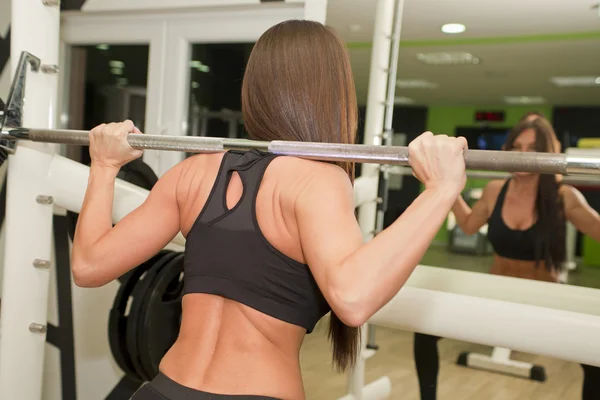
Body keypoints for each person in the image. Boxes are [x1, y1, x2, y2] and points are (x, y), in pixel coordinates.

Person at [70, 20, 468, 400]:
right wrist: (440, 189)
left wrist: (104, 166)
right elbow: (353, 298)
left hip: (162, 390)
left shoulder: (190, 173)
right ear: (335, 94)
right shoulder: (318, 181)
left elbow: (88, 265)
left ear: (253, 88)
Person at [413, 116, 600, 400]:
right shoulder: (495, 190)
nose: (523, 156)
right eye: (517, 146)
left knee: (594, 356)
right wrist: (443, 186)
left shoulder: (564, 197)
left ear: (548, 153)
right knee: (424, 330)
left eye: (533, 148)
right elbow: (468, 225)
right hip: (496, 297)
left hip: (544, 304)